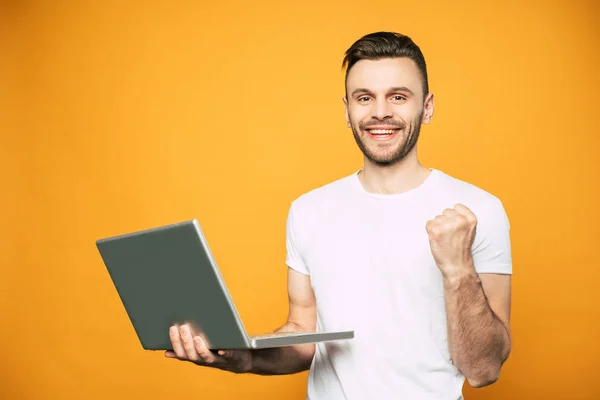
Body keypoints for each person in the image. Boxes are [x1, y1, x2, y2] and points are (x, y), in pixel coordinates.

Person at [165, 31, 513, 399]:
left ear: (426, 107)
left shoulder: (478, 211)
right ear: (347, 111)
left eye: (398, 96)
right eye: (365, 98)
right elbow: (304, 335)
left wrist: (458, 270)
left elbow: (484, 369)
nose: (380, 112)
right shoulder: (308, 211)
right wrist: (245, 356)